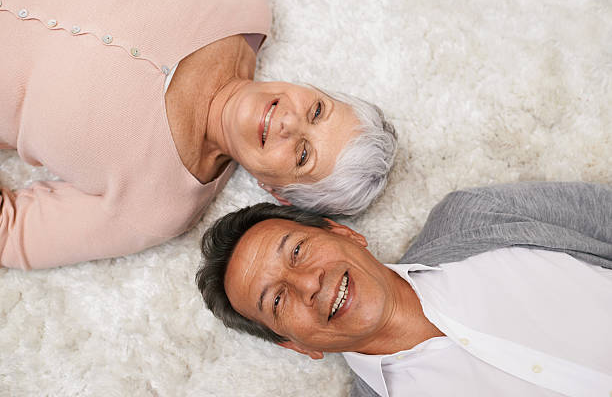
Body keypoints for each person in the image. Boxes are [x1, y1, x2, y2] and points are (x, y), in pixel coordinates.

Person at [0, 0, 397, 269]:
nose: (289, 122)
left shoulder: (157, 206)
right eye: (316, 110)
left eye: (303, 154)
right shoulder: (240, 1)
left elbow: (12, 235)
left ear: (277, 192)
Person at [197, 182, 612, 397]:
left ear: (345, 232)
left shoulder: (477, 216)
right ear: (294, 345)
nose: (309, 284)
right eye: (277, 299)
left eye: (299, 251)